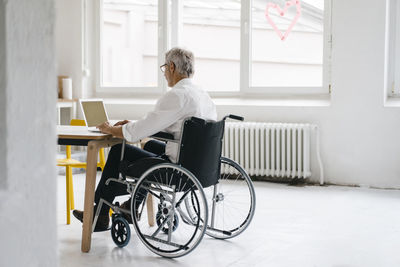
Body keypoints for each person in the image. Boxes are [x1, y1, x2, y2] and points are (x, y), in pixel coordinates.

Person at [72, 47, 217, 231]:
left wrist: (112, 129)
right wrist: (133, 125)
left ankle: (100, 214)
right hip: (199, 166)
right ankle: (132, 205)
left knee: (118, 150)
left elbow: (138, 132)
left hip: (176, 169)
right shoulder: (203, 95)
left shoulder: (177, 96)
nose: (164, 73)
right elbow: (165, 124)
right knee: (148, 145)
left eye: (164, 68)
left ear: (172, 67)